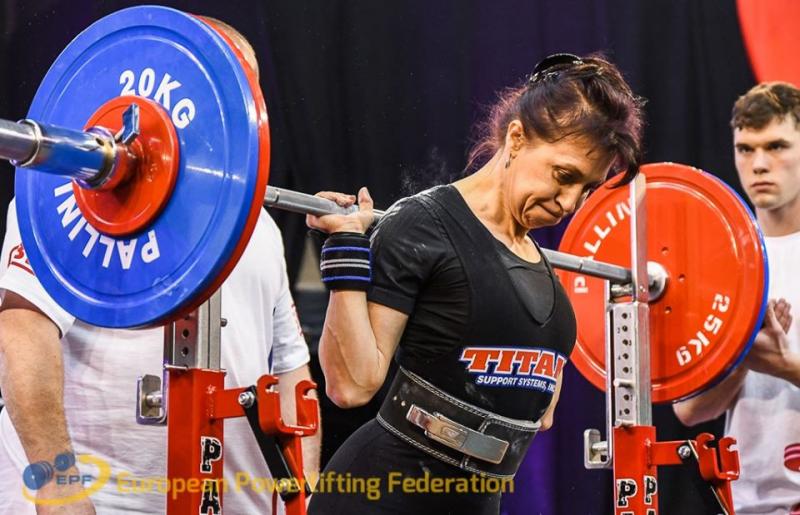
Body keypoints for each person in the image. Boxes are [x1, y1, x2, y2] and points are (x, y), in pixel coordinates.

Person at [0, 19, 320, 515]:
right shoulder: (64, 194)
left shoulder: (259, 226)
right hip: (103, 500)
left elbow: (290, 371)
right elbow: (22, 332)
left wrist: (305, 494)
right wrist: (59, 488)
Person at [305, 53, 645, 514]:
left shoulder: (542, 270)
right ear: (517, 138)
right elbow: (350, 385)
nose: (570, 203)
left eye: (586, 189)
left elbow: (540, 414)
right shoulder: (422, 225)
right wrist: (346, 248)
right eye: (564, 176)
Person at [673, 82, 800, 514]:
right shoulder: (721, 264)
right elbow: (689, 411)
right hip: (748, 502)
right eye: (746, 149)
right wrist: (742, 353)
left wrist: (787, 366)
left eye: (777, 146)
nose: (759, 164)